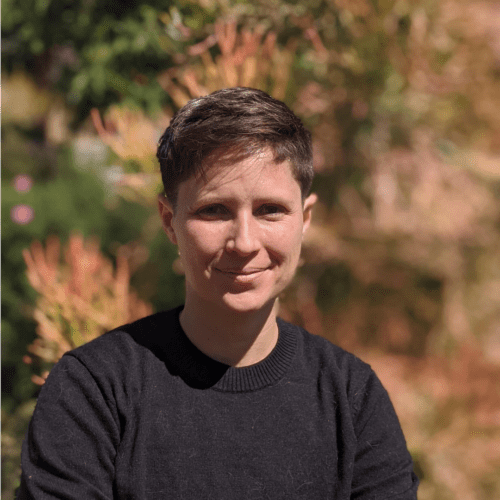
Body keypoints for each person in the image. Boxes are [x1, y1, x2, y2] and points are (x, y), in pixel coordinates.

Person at [18, 87, 419, 499]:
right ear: (169, 221)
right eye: (214, 210)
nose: (244, 242)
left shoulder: (351, 398)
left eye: (270, 210)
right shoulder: (95, 390)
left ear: (305, 218)